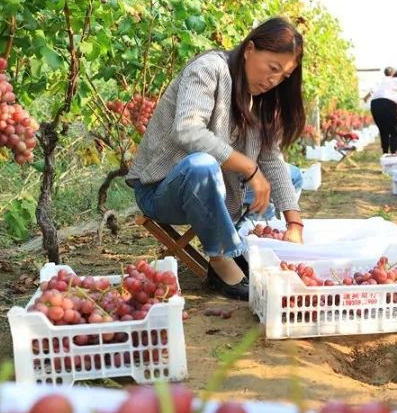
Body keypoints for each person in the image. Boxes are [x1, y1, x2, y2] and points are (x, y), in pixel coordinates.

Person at [127, 17, 306, 301]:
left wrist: (294, 223)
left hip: (220, 191)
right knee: (202, 165)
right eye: (272, 69)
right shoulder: (209, 70)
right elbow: (188, 131)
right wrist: (249, 169)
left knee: (293, 175)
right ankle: (221, 258)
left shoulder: (262, 99)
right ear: (249, 49)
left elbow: (271, 158)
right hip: (165, 191)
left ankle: (238, 239)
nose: (273, 81)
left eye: (282, 77)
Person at [363, 66, 397, 155]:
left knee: (383, 131)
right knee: (394, 132)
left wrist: (365, 98)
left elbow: (371, 92)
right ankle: (393, 154)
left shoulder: (385, 81)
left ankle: (385, 153)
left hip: (375, 104)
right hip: (388, 104)